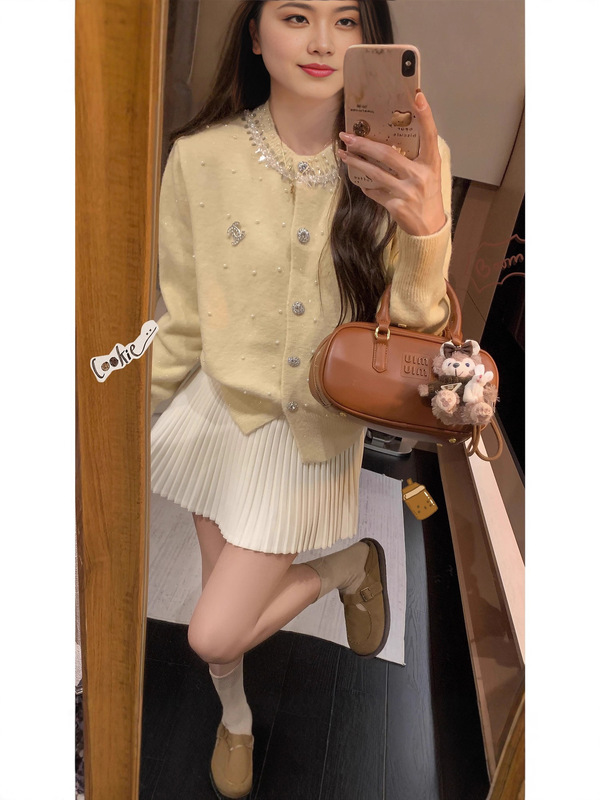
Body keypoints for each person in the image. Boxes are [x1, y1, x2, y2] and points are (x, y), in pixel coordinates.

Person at [150, 2, 452, 797]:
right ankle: (236, 718)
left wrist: (427, 231)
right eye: (295, 15)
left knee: (213, 630)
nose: (321, 41)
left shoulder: (403, 163)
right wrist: (112, 424)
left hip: (308, 439)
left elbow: (417, 331)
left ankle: (350, 564)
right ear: (255, 34)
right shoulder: (199, 158)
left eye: (346, 20)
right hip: (216, 421)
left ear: (369, 38)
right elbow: (181, 321)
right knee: (224, 615)